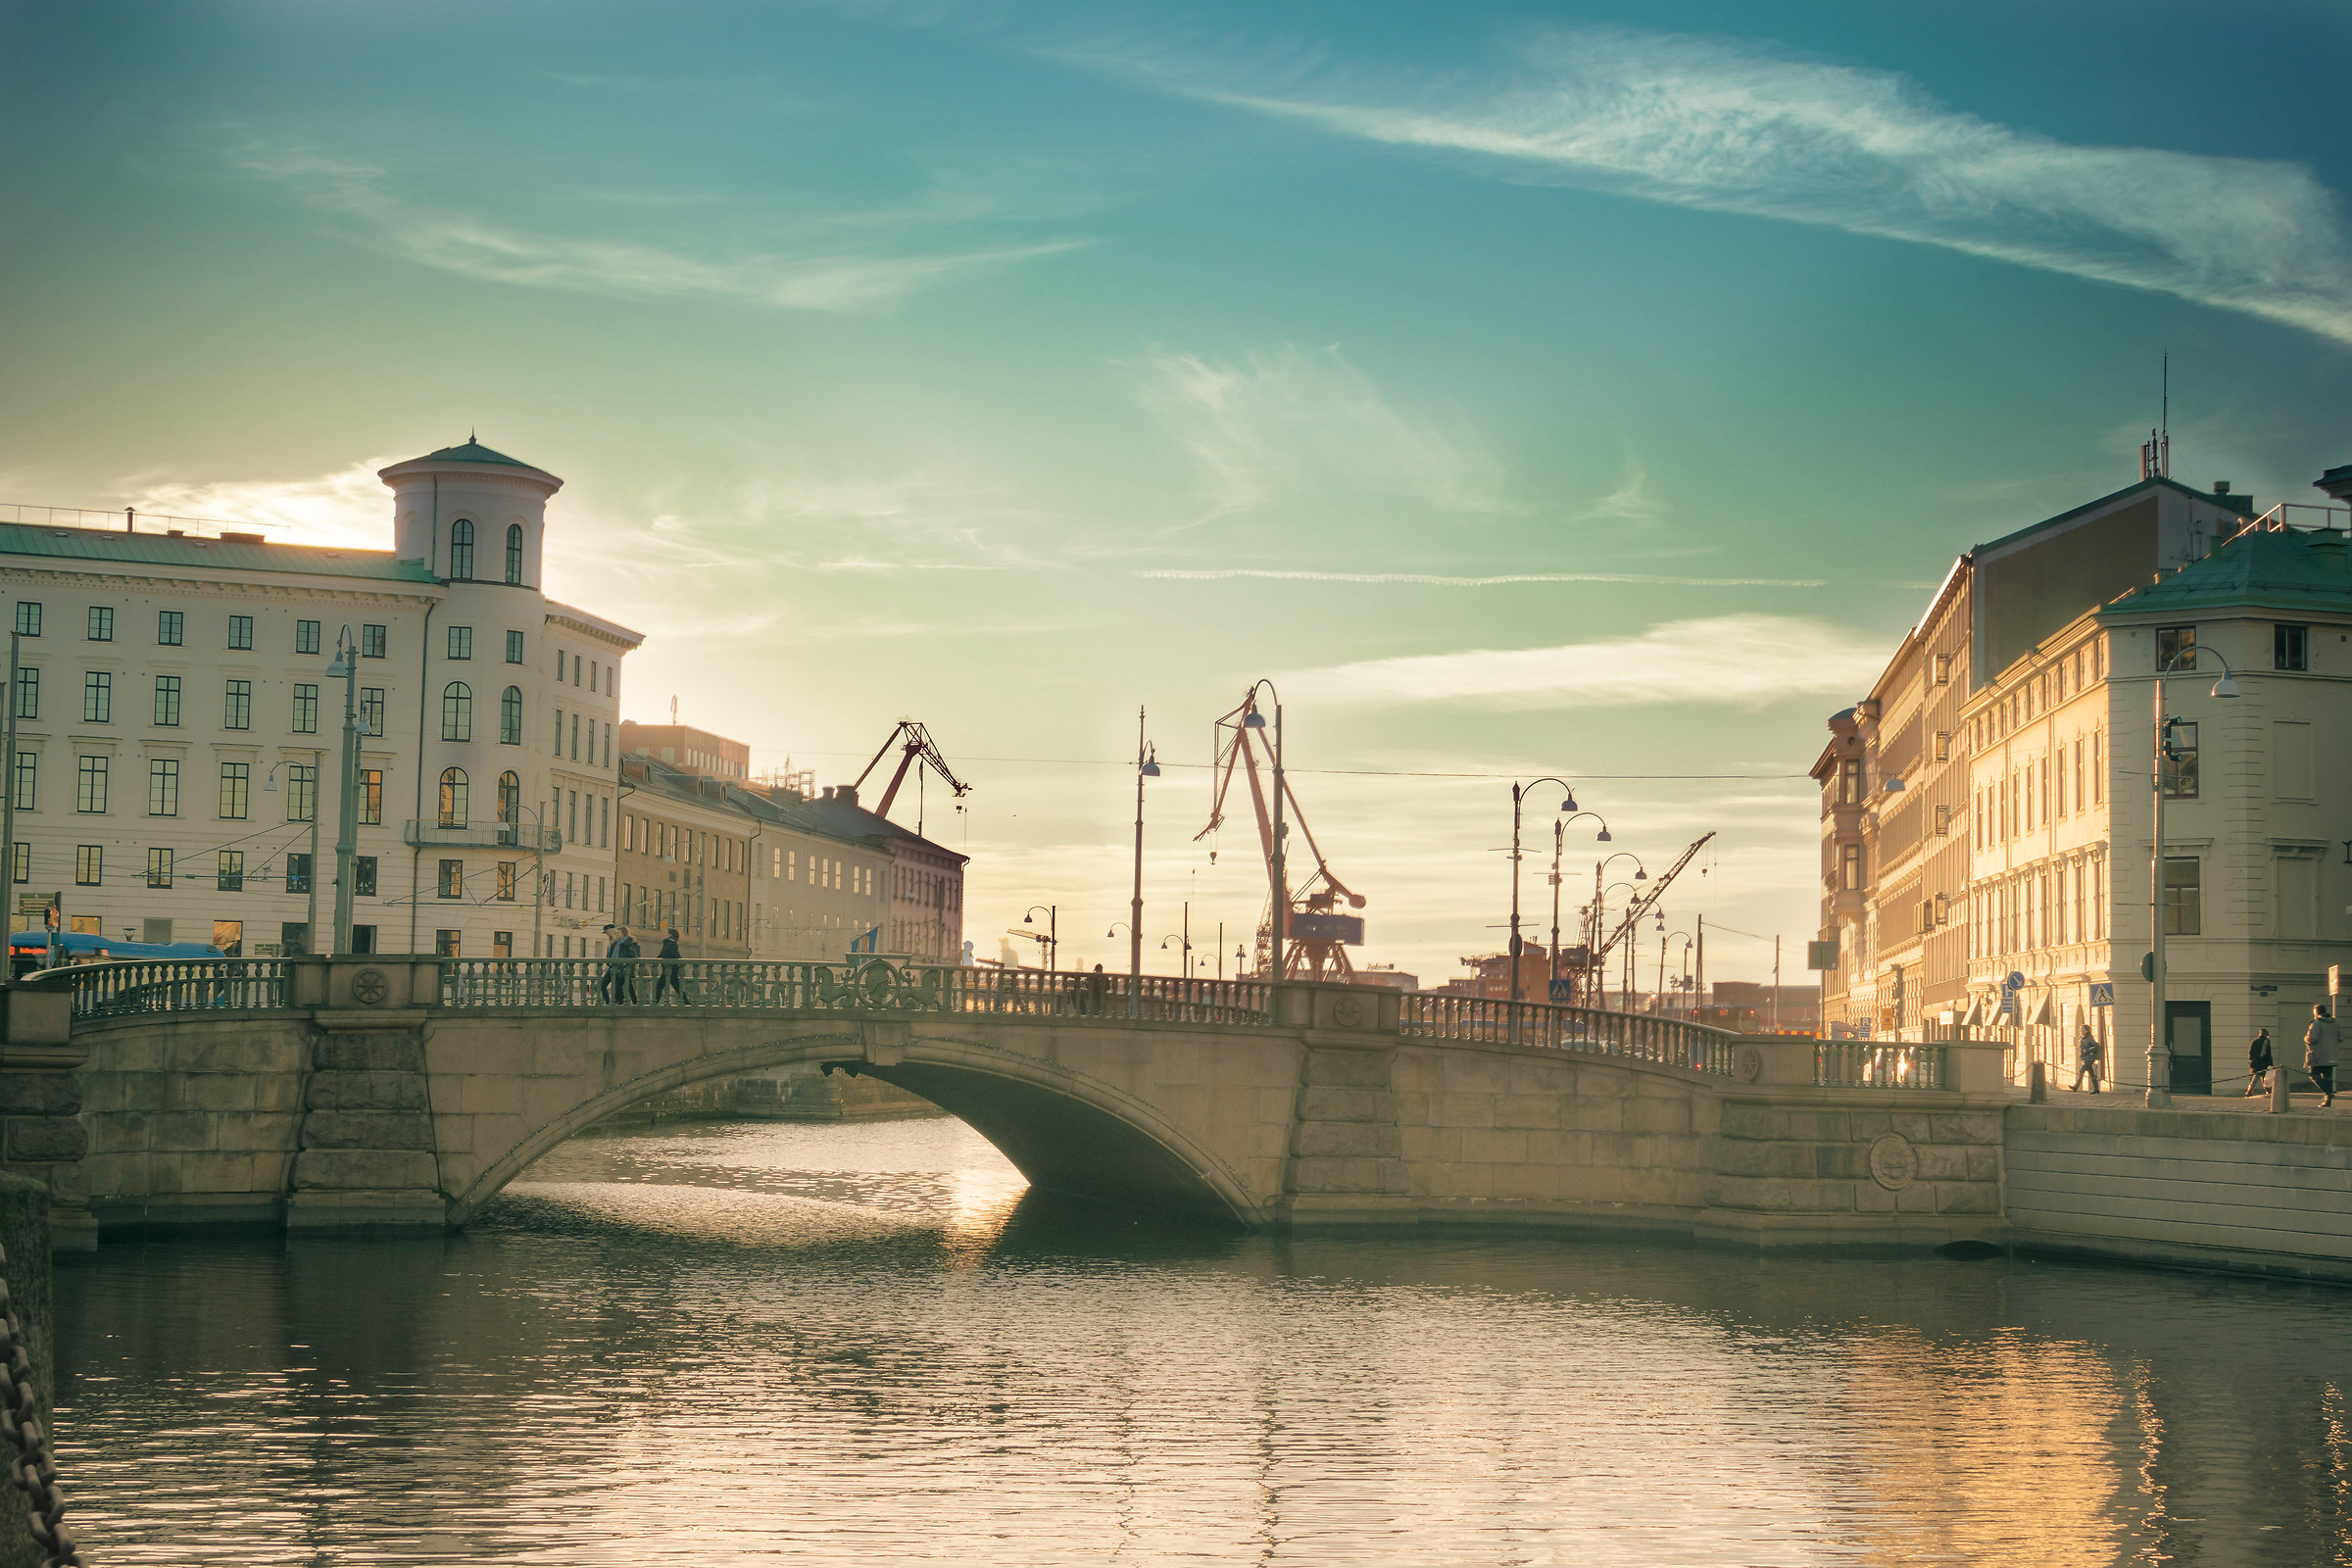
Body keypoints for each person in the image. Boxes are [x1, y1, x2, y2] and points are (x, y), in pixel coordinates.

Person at [2304, 1004, 2339, 1108]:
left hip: (2317, 1056)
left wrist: (2305, 1038)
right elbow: (2341, 1037)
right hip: (2331, 1056)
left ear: (2316, 1012)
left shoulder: (2316, 1023)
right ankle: (2327, 1101)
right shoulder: (2335, 1023)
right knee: (2327, 1078)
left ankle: (2328, 1093)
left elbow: (2313, 1039)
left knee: (2313, 1075)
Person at [652, 927, 689, 1004]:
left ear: (669, 935)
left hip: (670, 970)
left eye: (665, 932)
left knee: (659, 986)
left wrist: (679, 963)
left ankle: (654, 1003)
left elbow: (676, 956)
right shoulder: (667, 943)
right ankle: (687, 1002)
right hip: (668, 969)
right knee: (677, 987)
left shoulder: (670, 944)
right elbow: (662, 955)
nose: (663, 933)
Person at [2072, 1024, 2104, 1094]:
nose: (2080, 1030)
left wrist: (2087, 1051)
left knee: (2081, 1071)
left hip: (2089, 1058)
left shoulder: (2089, 1037)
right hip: (2086, 1058)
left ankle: (2076, 1087)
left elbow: (2095, 1045)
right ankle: (2096, 1089)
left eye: (2082, 1028)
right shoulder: (2083, 1037)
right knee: (2091, 1074)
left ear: (2085, 1030)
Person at [2246, 1028, 2275, 1097]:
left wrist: (2250, 1062)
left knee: (2257, 1076)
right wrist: (2270, 1064)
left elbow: (2250, 1053)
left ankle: (2250, 1090)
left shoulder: (2254, 1041)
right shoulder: (2266, 1041)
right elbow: (2267, 1053)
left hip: (2254, 1062)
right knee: (2265, 1077)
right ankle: (2268, 1091)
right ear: (2265, 1035)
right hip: (2263, 1062)